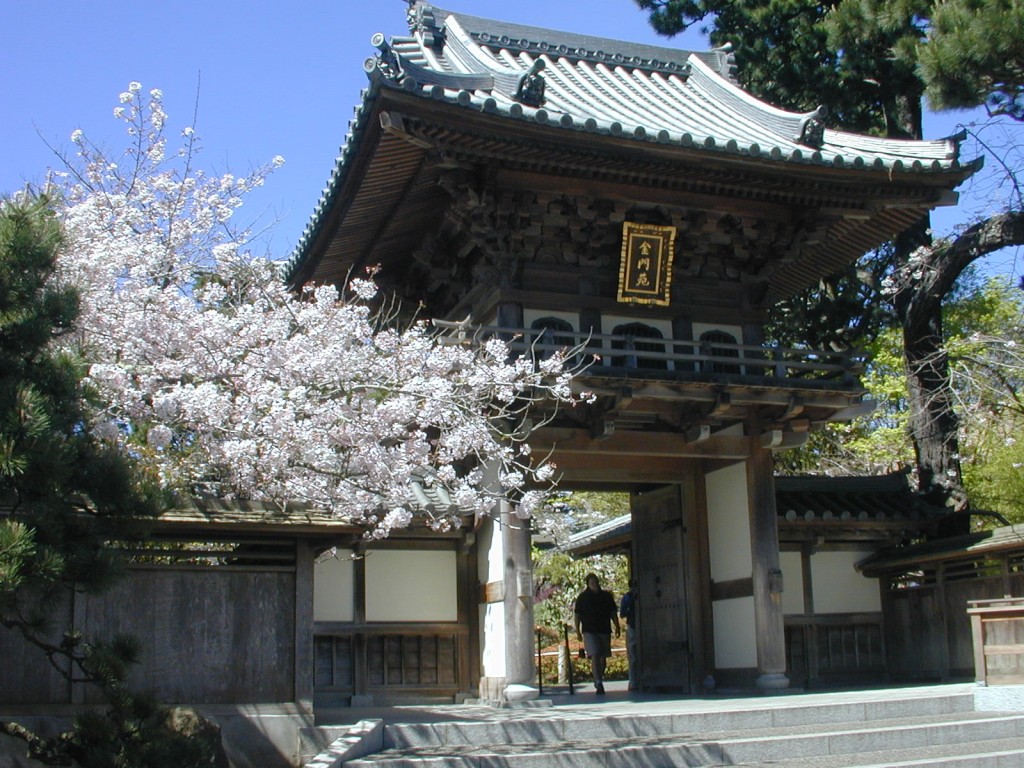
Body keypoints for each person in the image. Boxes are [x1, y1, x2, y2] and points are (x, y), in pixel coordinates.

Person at [574, 572, 620, 694]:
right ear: (588, 584)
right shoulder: (582, 598)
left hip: (604, 629)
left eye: (596, 582)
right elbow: (577, 615)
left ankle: (599, 677)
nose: (594, 584)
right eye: (592, 583)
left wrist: (617, 626)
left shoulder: (606, 596)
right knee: (595, 654)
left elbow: (613, 613)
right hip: (589, 631)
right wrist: (577, 631)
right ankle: (598, 681)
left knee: (603, 657)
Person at [619, 578, 639, 691]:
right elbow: (622, 613)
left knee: (632, 655)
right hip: (634, 626)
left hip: (632, 626)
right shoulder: (628, 597)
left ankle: (633, 681)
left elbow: (622, 613)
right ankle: (634, 680)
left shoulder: (627, 597)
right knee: (633, 655)